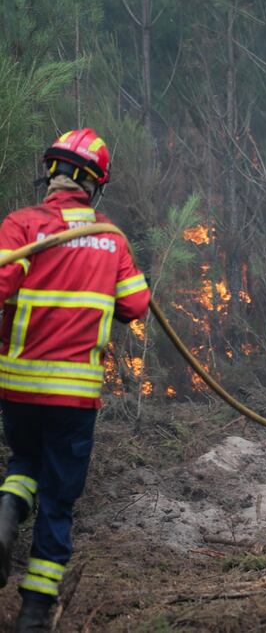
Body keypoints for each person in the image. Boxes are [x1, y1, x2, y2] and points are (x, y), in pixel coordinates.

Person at [0, 128, 150, 630]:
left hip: (18, 384)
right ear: (95, 185)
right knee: (60, 498)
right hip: (74, 394)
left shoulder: (20, 225)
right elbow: (136, 305)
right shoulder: (112, 240)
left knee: (24, 460)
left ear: (53, 173)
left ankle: (6, 513)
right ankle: (35, 612)